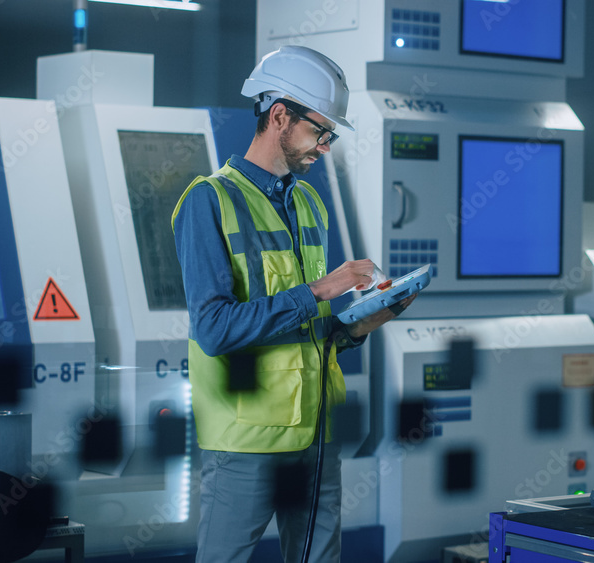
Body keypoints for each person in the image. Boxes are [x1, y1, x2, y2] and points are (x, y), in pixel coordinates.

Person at [172, 45, 414, 563]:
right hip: (246, 440)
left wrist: (360, 324)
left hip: (317, 432)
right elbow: (214, 329)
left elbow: (312, 333)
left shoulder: (308, 202)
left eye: (331, 135)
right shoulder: (208, 201)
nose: (325, 147)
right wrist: (322, 290)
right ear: (279, 116)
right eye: (320, 131)